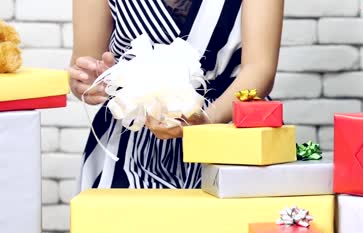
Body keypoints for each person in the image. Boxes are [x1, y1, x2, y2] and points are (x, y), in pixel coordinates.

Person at [68, 0, 284, 190]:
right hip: (132, 139)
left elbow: (260, 70)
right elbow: (83, 67)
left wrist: (206, 118)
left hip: (227, 132)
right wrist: (90, 81)